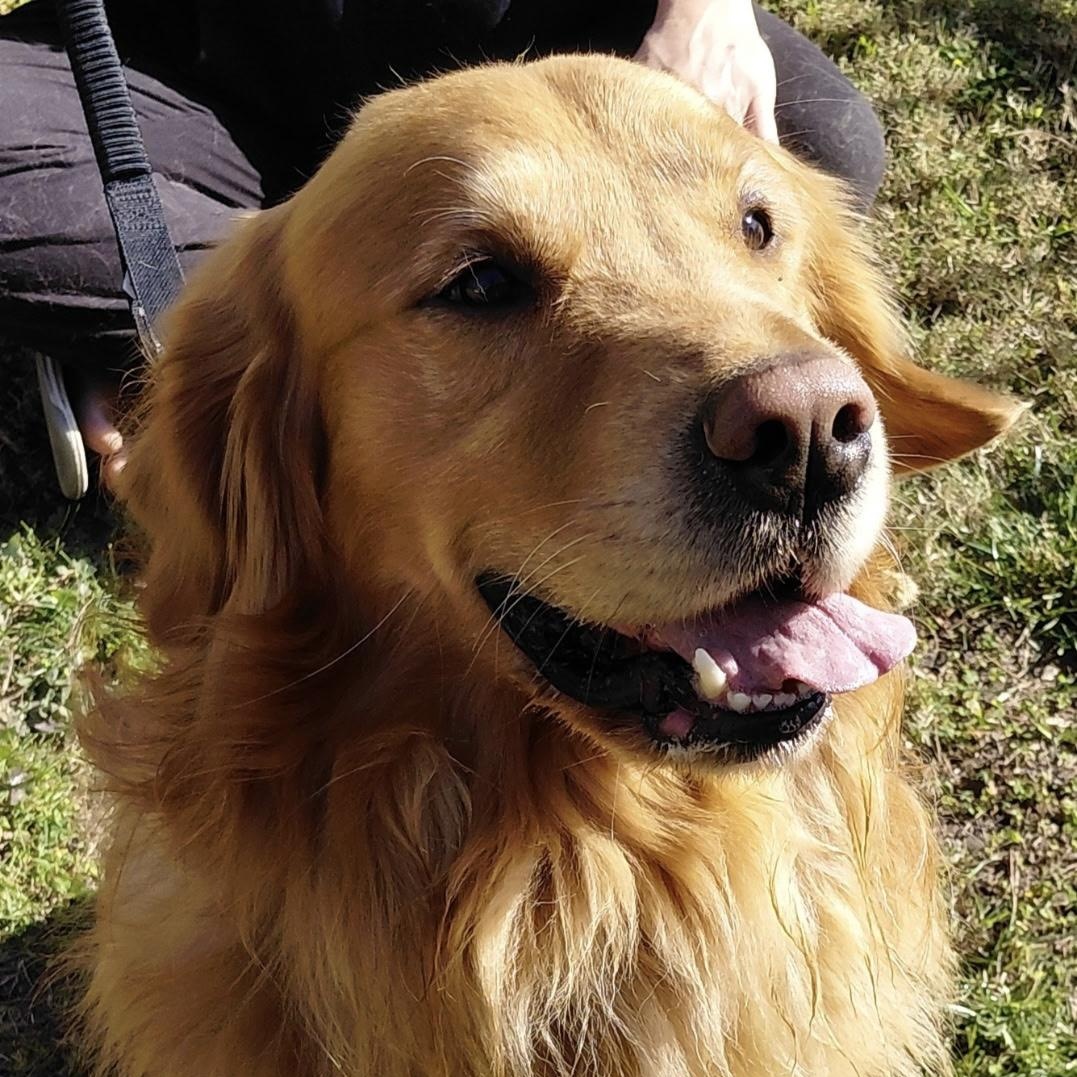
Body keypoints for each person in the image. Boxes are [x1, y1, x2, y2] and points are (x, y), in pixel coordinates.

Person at [0, 0, 885, 497]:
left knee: (821, 143)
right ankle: (236, 329)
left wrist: (709, 11)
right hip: (185, 63)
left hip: (534, 42)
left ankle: (210, 318)